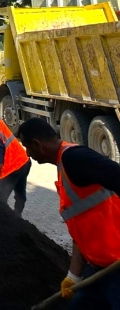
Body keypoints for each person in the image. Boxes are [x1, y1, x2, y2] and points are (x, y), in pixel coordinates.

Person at [17, 118, 120, 309]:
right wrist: (73, 275)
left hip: (116, 269)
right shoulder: (64, 168)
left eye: (27, 147)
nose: (27, 153)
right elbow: (80, 227)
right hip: (96, 269)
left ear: (37, 144)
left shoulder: (75, 158)